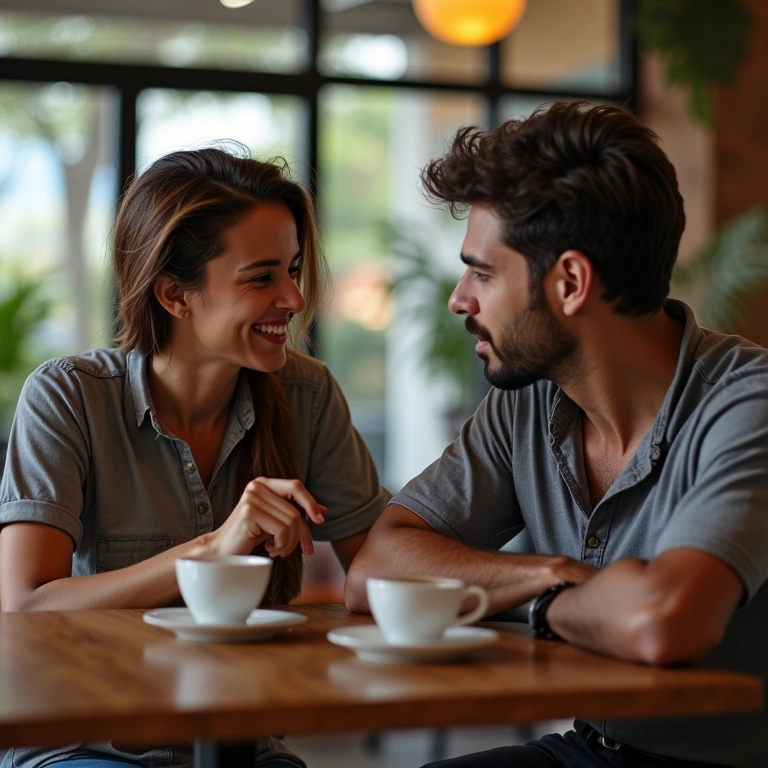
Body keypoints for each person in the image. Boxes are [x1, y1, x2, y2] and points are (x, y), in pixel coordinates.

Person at [345, 101, 768, 768]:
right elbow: (376, 568)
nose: (460, 298)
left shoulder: (748, 406)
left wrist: (540, 605)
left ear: (570, 281)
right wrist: (554, 575)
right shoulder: (529, 397)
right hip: (593, 749)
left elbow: (665, 621)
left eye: (482, 272)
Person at [0, 145, 390, 768]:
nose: (293, 297)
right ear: (174, 296)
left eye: (292, 269)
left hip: (246, 748)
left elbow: (383, 573)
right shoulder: (69, 395)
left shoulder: (307, 394)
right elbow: (25, 607)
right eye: (262, 277)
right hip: (87, 748)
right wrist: (210, 550)